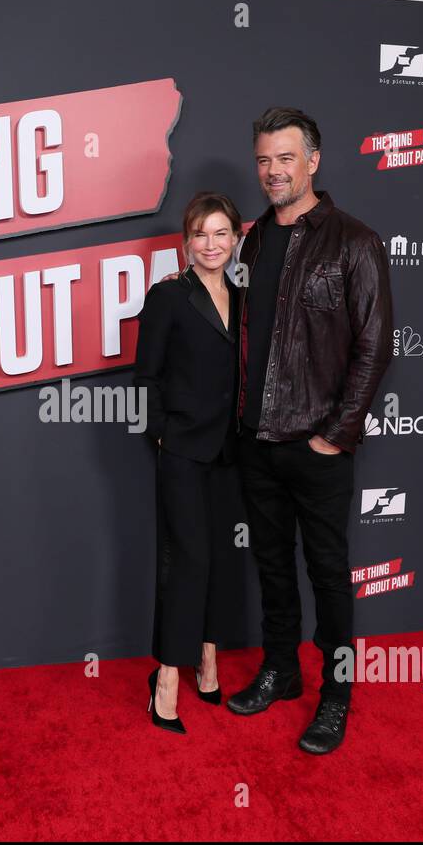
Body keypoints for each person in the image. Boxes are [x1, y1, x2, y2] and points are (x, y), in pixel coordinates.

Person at [223, 107, 393, 755]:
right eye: (264, 159)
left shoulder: (355, 241)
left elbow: (375, 345)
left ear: (313, 161)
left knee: (327, 573)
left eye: (285, 158)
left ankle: (337, 696)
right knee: (271, 568)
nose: (272, 171)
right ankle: (281, 669)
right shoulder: (255, 240)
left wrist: (336, 435)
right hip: (257, 440)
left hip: (319, 446)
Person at [133, 191, 247, 735]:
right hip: (181, 451)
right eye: (201, 234)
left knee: (220, 559)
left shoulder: (243, 300)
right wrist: (162, 436)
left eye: (221, 233)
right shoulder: (168, 297)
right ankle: (166, 681)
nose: (211, 244)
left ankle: (208, 659)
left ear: (236, 240)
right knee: (188, 561)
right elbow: (146, 378)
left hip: (228, 454)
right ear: (186, 241)